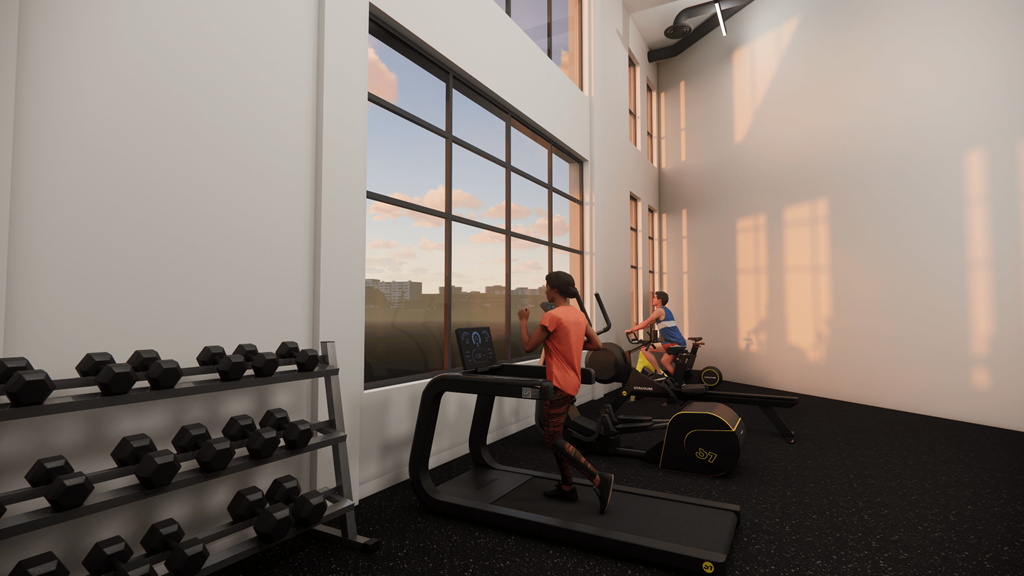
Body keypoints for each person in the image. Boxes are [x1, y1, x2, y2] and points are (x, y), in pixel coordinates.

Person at [518, 271, 614, 514]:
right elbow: (597, 345)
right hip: (573, 382)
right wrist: (569, 343)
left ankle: (598, 479)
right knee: (556, 435)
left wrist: (522, 321)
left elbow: (529, 345)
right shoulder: (578, 315)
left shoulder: (552, 316)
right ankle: (567, 487)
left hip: (558, 384)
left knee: (552, 439)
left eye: (547, 286)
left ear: (556, 290)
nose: (545, 289)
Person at [625, 291, 687, 378]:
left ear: (659, 300)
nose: (652, 299)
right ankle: (679, 382)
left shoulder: (659, 311)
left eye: (654, 297)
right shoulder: (666, 311)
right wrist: (635, 330)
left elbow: (646, 322)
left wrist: (632, 329)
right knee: (665, 361)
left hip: (675, 343)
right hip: (678, 342)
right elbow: (647, 325)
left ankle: (659, 373)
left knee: (645, 350)